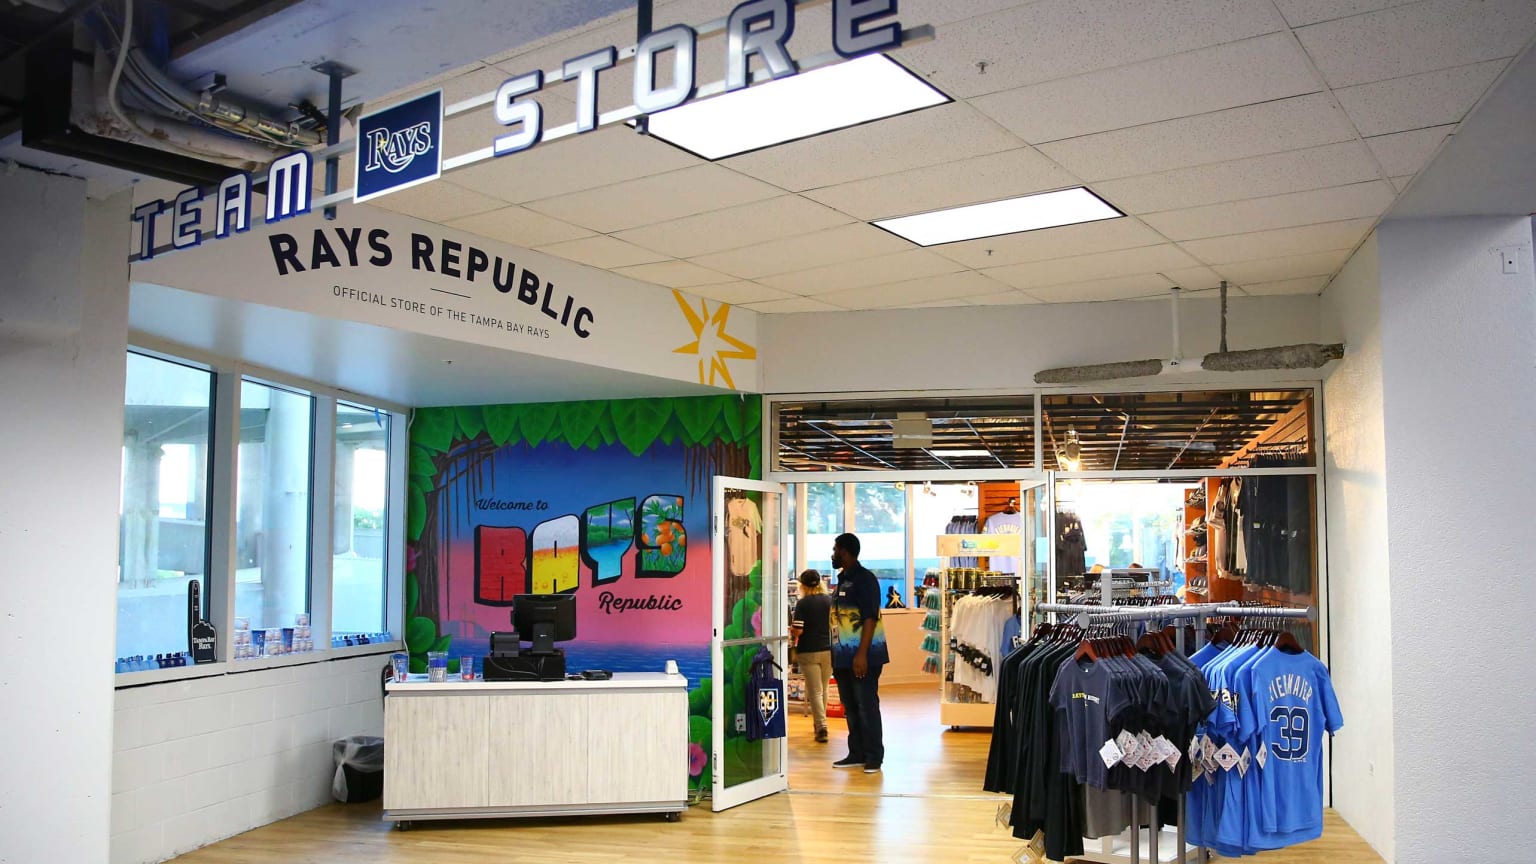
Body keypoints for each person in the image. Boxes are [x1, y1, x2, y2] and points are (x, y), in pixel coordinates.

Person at [829, 533, 888, 774]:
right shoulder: (842, 580)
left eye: (835, 550)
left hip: (863, 657)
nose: (832, 554)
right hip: (842, 657)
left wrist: (861, 654)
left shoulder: (865, 580)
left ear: (845, 551)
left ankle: (874, 755)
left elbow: (870, 618)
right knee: (850, 706)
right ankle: (857, 753)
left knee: (866, 705)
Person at [790, 569, 833, 743]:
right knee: (823, 688)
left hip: (808, 650)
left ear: (803, 585)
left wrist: (792, 631)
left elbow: (799, 630)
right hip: (828, 650)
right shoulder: (829, 601)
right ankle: (821, 724)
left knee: (814, 690)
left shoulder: (803, 604)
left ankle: (821, 727)